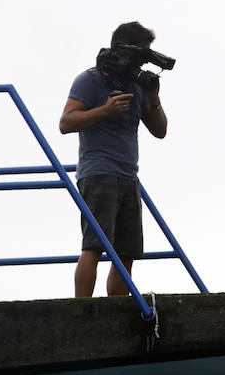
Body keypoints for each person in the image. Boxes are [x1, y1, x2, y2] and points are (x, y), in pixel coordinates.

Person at [59, 21, 168, 297]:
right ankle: (81, 310)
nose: (145, 58)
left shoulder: (137, 84)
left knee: (127, 253)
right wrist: (105, 111)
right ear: (122, 48)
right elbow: (66, 122)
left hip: (128, 176)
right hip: (98, 173)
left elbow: (160, 130)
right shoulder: (91, 79)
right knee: (94, 246)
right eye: (141, 51)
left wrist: (154, 98)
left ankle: (116, 312)